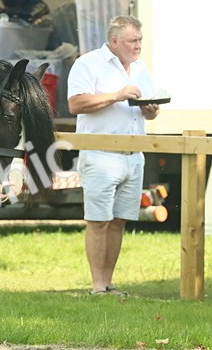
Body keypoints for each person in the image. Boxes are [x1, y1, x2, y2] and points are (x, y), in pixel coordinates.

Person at [67, 15, 160, 295]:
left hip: (133, 154)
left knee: (119, 220)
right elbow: (76, 104)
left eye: (140, 40)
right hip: (100, 153)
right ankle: (97, 285)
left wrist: (151, 110)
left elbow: (147, 110)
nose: (138, 46)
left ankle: (108, 282)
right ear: (115, 40)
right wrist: (117, 95)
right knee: (98, 220)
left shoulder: (141, 68)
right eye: (133, 40)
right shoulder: (88, 63)